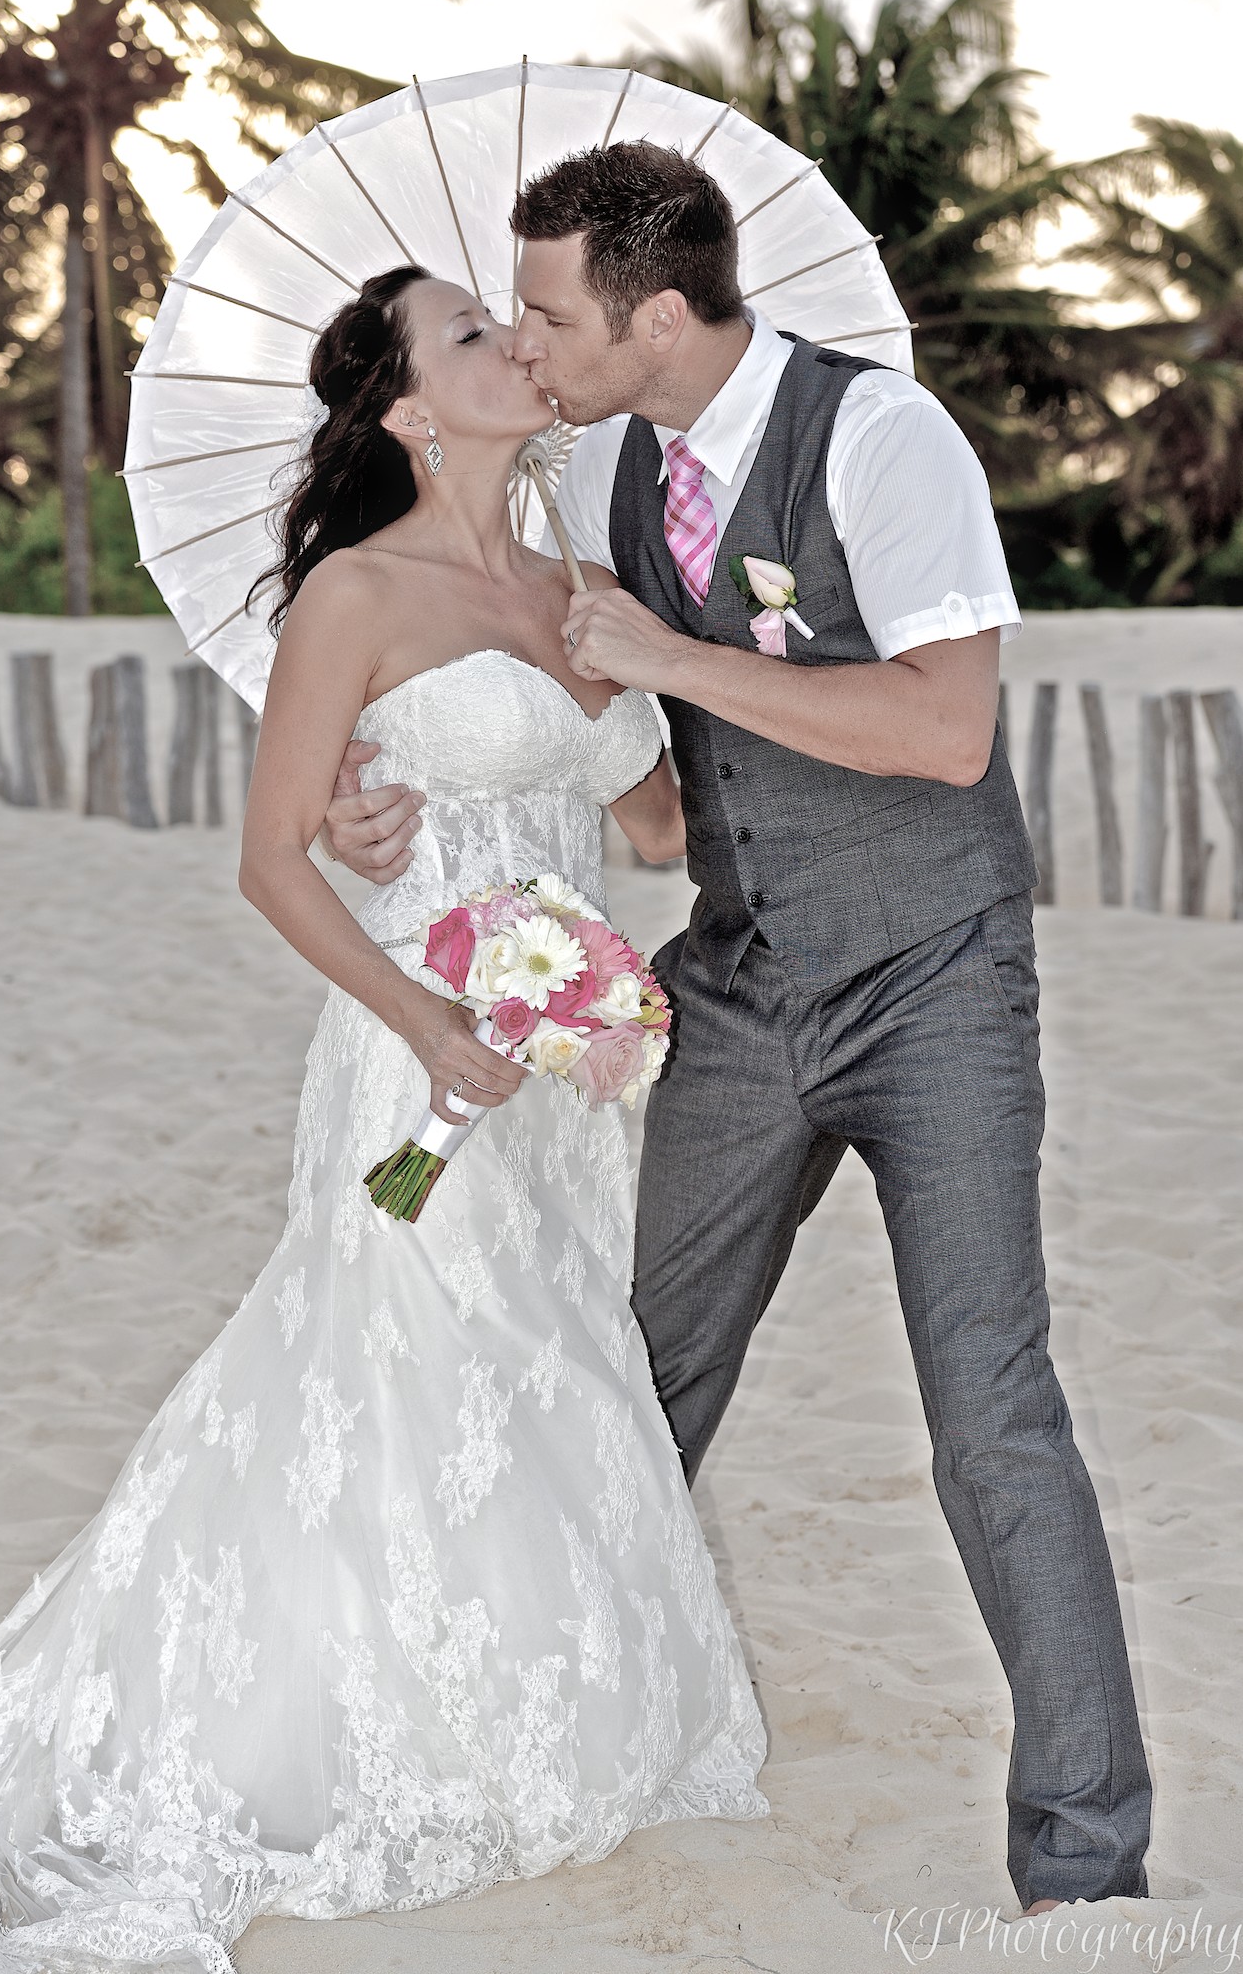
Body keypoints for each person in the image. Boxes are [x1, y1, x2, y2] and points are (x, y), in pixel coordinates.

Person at [0, 264, 769, 1974]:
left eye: (507, 322)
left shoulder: (584, 585)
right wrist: (431, 1013)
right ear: (411, 413)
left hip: (570, 1068)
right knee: (403, 1355)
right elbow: (273, 855)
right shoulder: (354, 597)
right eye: (466, 334)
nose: (515, 339)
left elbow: (653, 834)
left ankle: (520, 1699)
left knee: (547, 1362)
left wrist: (665, 659)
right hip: (418, 1054)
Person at [322, 144, 1153, 1917]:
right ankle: (535, 1750)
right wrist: (368, 806)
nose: (530, 344)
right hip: (735, 981)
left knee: (990, 1411)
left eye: (550, 313)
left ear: (662, 315)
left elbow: (943, 735)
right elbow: (614, 779)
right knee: (635, 1378)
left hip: (936, 980)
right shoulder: (608, 469)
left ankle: (1086, 1873)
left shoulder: (882, 440)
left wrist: (679, 658)